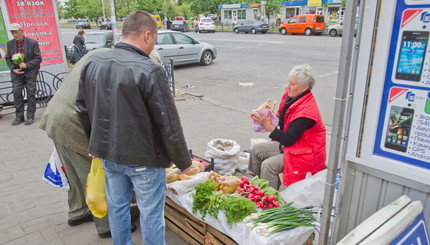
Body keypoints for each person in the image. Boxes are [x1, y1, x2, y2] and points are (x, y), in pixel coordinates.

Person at [76, 11, 192, 245]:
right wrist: (184, 162)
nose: (153, 46)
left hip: (108, 154)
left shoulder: (93, 61)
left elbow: (81, 107)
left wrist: (95, 143)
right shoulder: (149, 69)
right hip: (144, 160)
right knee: (150, 213)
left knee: (117, 208)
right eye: (155, 40)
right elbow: (168, 123)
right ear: (147, 35)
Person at [40, 48, 161, 238]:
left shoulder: (102, 53)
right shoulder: (118, 67)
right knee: (97, 176)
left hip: (57, 115)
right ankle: (107, 226)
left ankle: (78, 212)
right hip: (76, 122)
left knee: (75, 173)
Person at [248, 64, 326, 189]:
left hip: (305, 154)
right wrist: (272, 116)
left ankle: (270, 200)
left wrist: (268, 125)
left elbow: (288, 139)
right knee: (256, 150)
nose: (288, 87)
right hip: (293, 147)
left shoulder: (306, 113)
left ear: (304, 87)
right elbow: (282, 118)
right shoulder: (291, 97)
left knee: (268, 166)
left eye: (293, 84)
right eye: (289, 82)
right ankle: (252, 187)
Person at [5, 23, 42, 126]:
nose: (14, 34)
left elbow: (38, 58)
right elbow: (8, 58)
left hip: (30, 72)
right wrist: (13, 69)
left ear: (22, 31)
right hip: (17, 73)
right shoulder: (10, 43)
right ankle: (19, 117)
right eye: (12, 32)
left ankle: (30, 116)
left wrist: (26, 64)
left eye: (16, 32)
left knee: (31, 94)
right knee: (17, 94)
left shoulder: (32, 43)